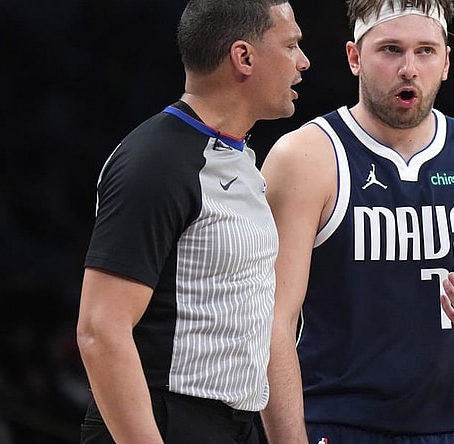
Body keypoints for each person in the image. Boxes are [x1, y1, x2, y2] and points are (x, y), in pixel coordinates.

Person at [259, 0, 454, 442]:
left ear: (447, 61)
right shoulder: (305, 157)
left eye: (426, 51)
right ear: (355, 57)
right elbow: (270, 323)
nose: (409, 68)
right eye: (391, 50)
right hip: (337, 426)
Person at [75, 1, 309, 442]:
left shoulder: (239, 159)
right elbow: (100, 329)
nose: (303, 62)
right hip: (164, 419)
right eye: (292, 45)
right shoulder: (155, 160)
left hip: (235, 422)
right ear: (244, 57)